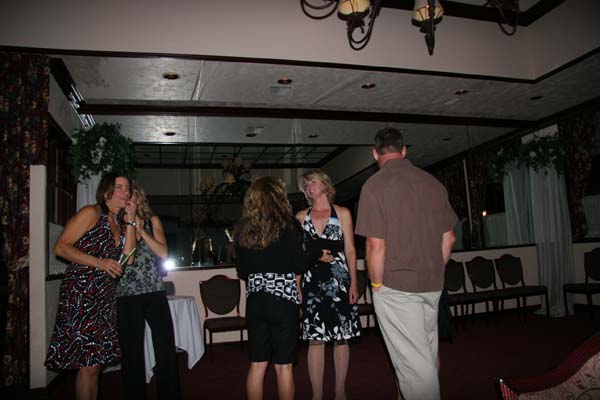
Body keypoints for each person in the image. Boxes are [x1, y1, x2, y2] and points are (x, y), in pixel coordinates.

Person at [355, 127, 458, 400]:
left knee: (414, 367)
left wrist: (377, 285)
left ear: (375, 153)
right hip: (432, 285)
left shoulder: (374, 186)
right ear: (403, 150)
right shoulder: (433, 183)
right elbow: (449, 238)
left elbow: (375, 246)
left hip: (397, 287)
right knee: (426, 354)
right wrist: (434, 269)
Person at [45, 172, 137, 400]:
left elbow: (129, 258)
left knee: (95, 365)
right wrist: (99, 262)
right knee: (88, 364)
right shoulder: (91, 213)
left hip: (104, 297)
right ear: (106, 192)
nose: (125, 192)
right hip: (81, 295)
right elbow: (61, 247)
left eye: (127, 188)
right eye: (119, 187)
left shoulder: (119, 222)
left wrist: (131, 221)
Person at [235, 176, 308, 400]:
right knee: (283, 367)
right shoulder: (290, 226)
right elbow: (299, 265)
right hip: (283, 300)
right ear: (279, 197)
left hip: (256, 300)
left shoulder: (244, 229)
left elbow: (242, 271)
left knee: (257, 364)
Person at [297, 169, 361, 400]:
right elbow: (297, 255)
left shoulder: (342, 212)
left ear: (324, 184)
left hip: (339, 280)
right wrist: (297, 286)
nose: (309, 188)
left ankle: (340, 391)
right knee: (315, 338)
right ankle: (317, 394)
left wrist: (354, 283)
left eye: (312, 182)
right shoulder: (300, 217)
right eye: (306, 185)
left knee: (341, 337)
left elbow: (351, 250)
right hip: (311, 282)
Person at [116, 183, 181, 400]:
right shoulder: (116, 222)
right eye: (126, 196)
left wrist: (141, 230)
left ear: (140, 199)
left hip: (154, 290)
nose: (129, 199)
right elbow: (124, 258)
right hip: (127, 293)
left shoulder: (152, 221)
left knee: (165, 346)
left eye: (132, 196)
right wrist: (130, 224)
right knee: (131, 351)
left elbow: (163, 253)